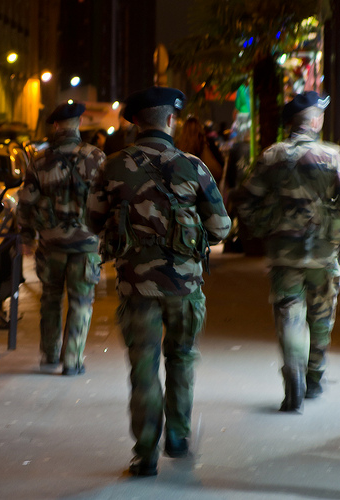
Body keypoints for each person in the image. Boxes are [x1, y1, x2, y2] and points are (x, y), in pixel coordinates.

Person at [86, 86, 231, 476]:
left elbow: (92, 220)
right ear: (171, 119)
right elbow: (219, 228)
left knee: (143, 368)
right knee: (182, 358)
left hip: (136, 288)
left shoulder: (112, 166)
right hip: (184, 288)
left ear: (135, 122)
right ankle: (178, 436)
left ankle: (145, 454)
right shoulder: (194, 165)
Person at [235, 91, 340, 412]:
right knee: (322, 315)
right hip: (324, 252)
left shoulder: (271, 157)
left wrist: (264, 230)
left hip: (284, 252)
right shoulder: (334, 157)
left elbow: (246, 200)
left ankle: (293, 369)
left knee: (289, 310)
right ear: (315, 120)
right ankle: (314, 376)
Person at [17, 101, 106, 376]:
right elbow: (109, 201)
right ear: (79, 124)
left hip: (51, 243)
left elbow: (26, 203)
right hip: (86, 245)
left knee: (50, 299)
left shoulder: (40, 161)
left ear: (56, 126)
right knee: (81, 301)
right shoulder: (97, 158)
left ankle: (49, 354)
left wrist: (27, 237)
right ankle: (72, 361)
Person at [176, 115, 223, 184]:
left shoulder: (178, 147)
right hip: (207, 187)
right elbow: (219, 169)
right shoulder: (207, 144)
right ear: (200, 129)